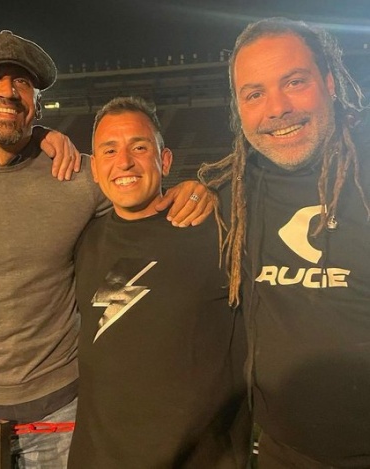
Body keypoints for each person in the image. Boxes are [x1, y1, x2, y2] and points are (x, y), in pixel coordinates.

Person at [0, 31, 213, 468]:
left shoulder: (80, 176)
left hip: (67, 413)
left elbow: (143, 191)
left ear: (36, 104)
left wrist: (199, 190)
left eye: (21, 82)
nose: (7, 91)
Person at [199, 17, 370, 468]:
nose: (276, 108)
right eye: (254, 94)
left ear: (329, 82)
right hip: (282, 452)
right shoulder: (232, 193)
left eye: (294, 82)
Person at [67, 96, 251, 468]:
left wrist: (208, 190)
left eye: (139, 147)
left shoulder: (218, 230)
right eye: (109, 151)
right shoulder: (84, 240)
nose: (124, 162)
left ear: (164, 161)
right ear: (96, 169)